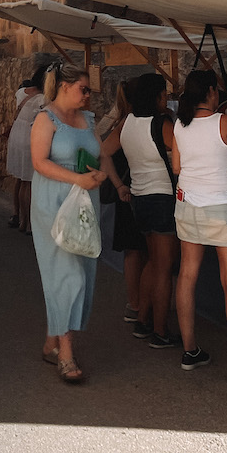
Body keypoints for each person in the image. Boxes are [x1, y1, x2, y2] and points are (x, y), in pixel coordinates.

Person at [171, 68, 227, 387]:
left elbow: (177, 167)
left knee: (187, 275)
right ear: (211, 92)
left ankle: (190, 351)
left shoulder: (180, 124)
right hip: (222, 207)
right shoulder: (224, 122)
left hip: (188, 205)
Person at [29, 62, 105, 383]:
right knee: (67, 275)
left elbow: (101, 154)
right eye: (83, 89)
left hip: (85, 203)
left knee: (82, 275)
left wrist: (102, 174)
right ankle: (66, 352)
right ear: (63, 86)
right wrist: (77, 178)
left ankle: (52, 340)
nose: (88, 95)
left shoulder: (88, 120)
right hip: (53, 202)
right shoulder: (46, 120)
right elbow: (38, 161)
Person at [100, 72, 178, 348]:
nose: (167, 98)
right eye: (164, 94)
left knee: (152, 262)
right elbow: (182, 158)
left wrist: (120, 183)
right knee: (163, 268)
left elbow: (104, 151)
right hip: (163, 198)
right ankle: (160, 330)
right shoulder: (162, 124)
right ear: (156, 96)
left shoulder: (127, 123)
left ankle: (143, 320)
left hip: (139, 198)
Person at [96, 79, 147, 324]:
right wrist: (119, 184)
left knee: (135, 250)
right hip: (132, 190)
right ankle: (138, 303)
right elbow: (104, 150)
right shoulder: (129, 121)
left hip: (128, 190)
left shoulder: (120, 119)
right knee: (139, 250)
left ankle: (137, 303)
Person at [5, 66, 47, 233]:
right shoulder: (43, 99)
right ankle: (29, 223)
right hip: (30, 139)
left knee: (23, 182)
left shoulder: (23, 92)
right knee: (29, 182)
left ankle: (22, 219)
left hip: (18, 135)